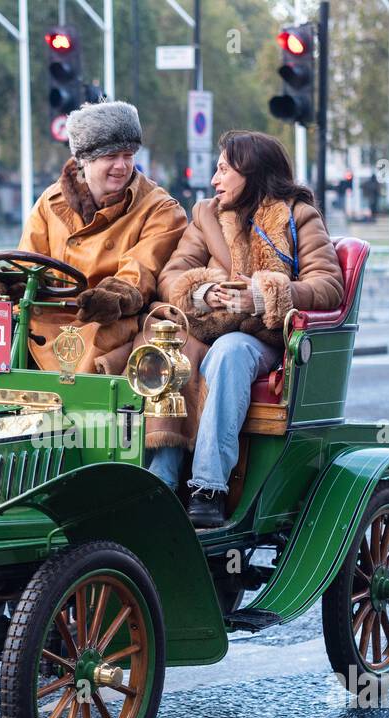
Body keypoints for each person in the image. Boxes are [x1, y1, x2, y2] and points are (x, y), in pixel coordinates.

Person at [152, 130, 344, 527]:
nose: (214, 179)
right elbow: (173, 275)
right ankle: (159, 478)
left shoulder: (299, 214)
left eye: (223, 169)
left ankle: (208, 488)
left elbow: (328, 285)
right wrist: (205, 293)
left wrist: (260, 296)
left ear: (251, 172)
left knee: (232, 351)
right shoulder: (205, 213)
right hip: (209, 328)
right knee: (165, 346)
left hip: (266, 338)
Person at [0, 101, 188, 376]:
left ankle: (78, 408)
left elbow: (140, 271)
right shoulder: (50, 203)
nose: (121, 166)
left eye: (128, 155)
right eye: (110, 156)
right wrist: (13, 281)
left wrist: (112, 297)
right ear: (84, 159)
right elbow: (30, 259)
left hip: (109, 319)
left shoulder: (160, 209)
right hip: (46, 316)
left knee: (102, 335)